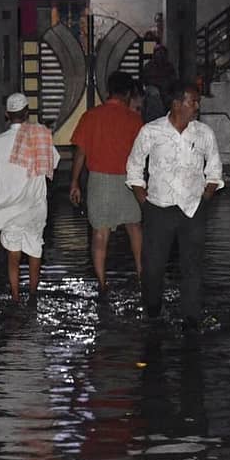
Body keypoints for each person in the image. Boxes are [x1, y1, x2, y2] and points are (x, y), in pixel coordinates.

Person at [126, 80, 223, 331]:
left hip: (193, 209)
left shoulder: (204, 133)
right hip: (159, 208)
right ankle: (153, 312)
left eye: (197, 102)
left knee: (192, 268)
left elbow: (214, 170)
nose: (197, 106)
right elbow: (134, 167)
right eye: (193, 102)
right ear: (177, 104)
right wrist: (145, 202)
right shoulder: (151, 131)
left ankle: (192, 320)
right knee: (153, 268)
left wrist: (205, 199)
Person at [0, 93, 60, 303]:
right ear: (27, 113)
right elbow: (53, 163)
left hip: (9, 208)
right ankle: (33, 295)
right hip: (35, 206)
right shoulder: (39, 135)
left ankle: (16, 296)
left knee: (13, 253)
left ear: (7, 115)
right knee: (35, 249)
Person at [70, 71, 145, 295]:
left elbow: (80, 153)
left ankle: (102, 283)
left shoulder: (91, 116)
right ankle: (142, 274)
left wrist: (74, 182)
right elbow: (143, 155)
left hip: (99, 181)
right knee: (135, 227)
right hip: (129, 181)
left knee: (100, 234)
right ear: (128, 93)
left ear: (108, 91)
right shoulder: (134, 119)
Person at [141, 44, 177, 122]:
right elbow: (145, 81)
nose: (160, 55)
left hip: (167, 92)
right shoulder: (148, 66)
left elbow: (173, 81)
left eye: (162, 53)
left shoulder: (169, 67)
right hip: (153, 92)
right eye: (158, 53)